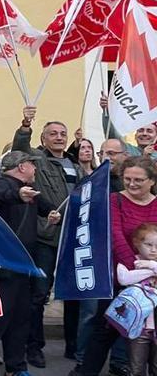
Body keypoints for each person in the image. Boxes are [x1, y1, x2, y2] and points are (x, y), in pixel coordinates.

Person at [0, 151, 60, 376]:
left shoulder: (32, 191)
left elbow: (48, 208)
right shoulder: (2, 186)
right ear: (21, 167)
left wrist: (53, 214)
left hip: (24, 268)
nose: (35, 169)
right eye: (32, 164)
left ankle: (16, 367)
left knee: (20, 319)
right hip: (2, 268)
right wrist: (18, 194)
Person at [72, 157, 157, 376]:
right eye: (127, 178)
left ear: (152, 181)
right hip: (120, 277)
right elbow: (115, 237)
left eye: (138, 179)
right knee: (105, 329)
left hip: (154, 281)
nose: (131, 184)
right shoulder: (114, 200)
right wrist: (137, 271)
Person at [12, 106, 82, 369]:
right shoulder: (36, 160)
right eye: (53, 133)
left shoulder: (74, 163)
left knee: (75, 294)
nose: (59, 137)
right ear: (43, 139)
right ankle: (34, 347)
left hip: (74, 238)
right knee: (39, 295)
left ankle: (73, 346)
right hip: (46, 238)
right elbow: (19, 148)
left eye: (62, 133)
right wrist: (25, 126)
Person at [117, 223, 157, 376]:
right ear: (136, 243)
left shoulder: (152, 263)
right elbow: (124, 278)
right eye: (148, 244)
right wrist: (151, 270)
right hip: (138, 326)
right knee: (136, 368)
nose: (153, 249)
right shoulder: (129, 260)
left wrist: (151, 265)